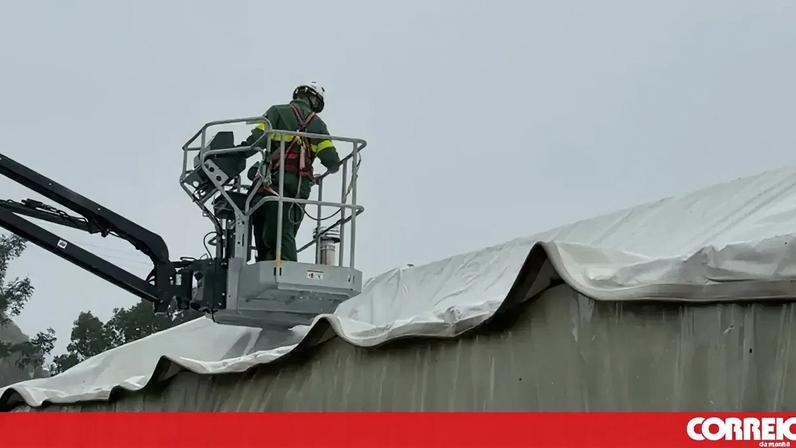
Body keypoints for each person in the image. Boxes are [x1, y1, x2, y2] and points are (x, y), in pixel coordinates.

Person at [242, 82, 341, 262]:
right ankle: (281, 266)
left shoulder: (277, 112)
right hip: (299, 187)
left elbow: (255, 141)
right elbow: (332, 162)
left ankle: (273, 266)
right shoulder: (318, 125)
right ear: (314, 101)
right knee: (284, 232)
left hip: (270, 183)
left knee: (264, 226)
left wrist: (234, 154)